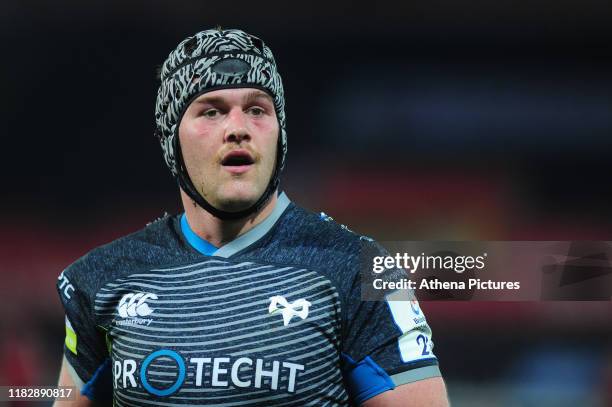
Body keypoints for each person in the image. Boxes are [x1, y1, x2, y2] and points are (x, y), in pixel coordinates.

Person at [54, 28, 449, 406]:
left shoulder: (360, 270)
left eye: (257, 109)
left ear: (280, 134)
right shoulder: (101, 279)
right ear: (170, 138)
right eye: (211, 112)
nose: (238, 129)